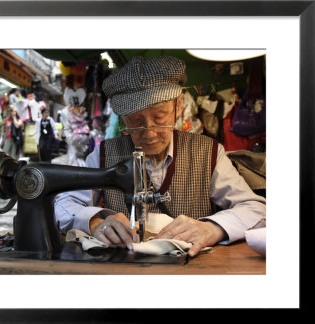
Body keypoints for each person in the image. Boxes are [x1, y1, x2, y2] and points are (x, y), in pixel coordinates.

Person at [54, 56, 266, 257]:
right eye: (135, 121)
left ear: (178, 103)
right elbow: (63, 205)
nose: (149, 133)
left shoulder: (208, 152)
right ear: (122, 118)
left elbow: (256, 210)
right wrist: (94, 222)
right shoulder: (103, 154)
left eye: (159, 116)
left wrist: (212, 228)